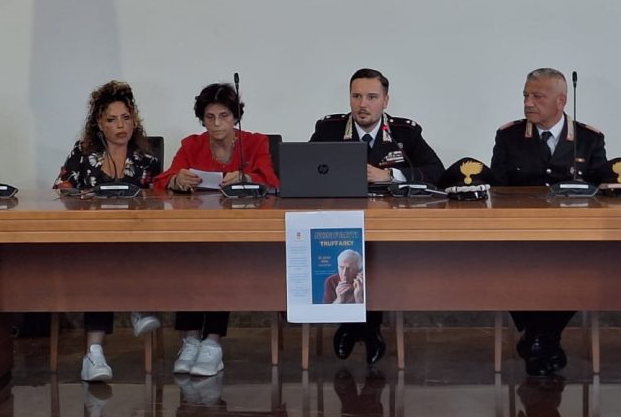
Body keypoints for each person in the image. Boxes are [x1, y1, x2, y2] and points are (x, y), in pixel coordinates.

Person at [310, 68, 444, 364]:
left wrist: (390, 175)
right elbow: (306, 172)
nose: (363, 104)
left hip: (387, 221)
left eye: (371, 97)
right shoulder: (329, 129)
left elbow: (436, 171)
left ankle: (366, 329)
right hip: (339, 219)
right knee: (346, 260)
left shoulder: (404, 132)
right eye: (356, 96)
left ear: (385, 101)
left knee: (377, 257)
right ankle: (353, 326)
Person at [153, 82, 278, 377]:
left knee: (220, 261)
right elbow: (162, 180)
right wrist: (176, 180)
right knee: (191, 261)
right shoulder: (191, 145)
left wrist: (246, 177)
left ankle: (211, 342)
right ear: (202, 119)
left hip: (242, 236)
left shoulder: (255, 143)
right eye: (210, 117)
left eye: (224, 116)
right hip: (198, 233)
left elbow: (273, 182)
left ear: (235, 117)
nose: (217, 124)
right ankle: (190, 339)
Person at [491, 68, 609, 376]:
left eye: (537, 97)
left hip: (572, 238)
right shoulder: (509, 136)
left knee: (579, 271)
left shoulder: (589, 139)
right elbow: (497, 190)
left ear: (561, 101)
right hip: (520, 238)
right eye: (525, 96)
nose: (528, 103)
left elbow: (600, 191)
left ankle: (539, 337)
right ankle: (544, 339)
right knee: (509, 267)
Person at [53, 80, 162, 383]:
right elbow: (62, 188)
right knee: (99, 261)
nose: (120, 126)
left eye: (126, 118)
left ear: (134, 121)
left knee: (110, 261)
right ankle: (134, 308)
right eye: (112, 120)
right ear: (99, 124)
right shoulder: (83, 153)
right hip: (91, 239)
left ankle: (94, 351)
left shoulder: (146, 159)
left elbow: (159, 201)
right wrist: (85, 197)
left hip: (135, 240)